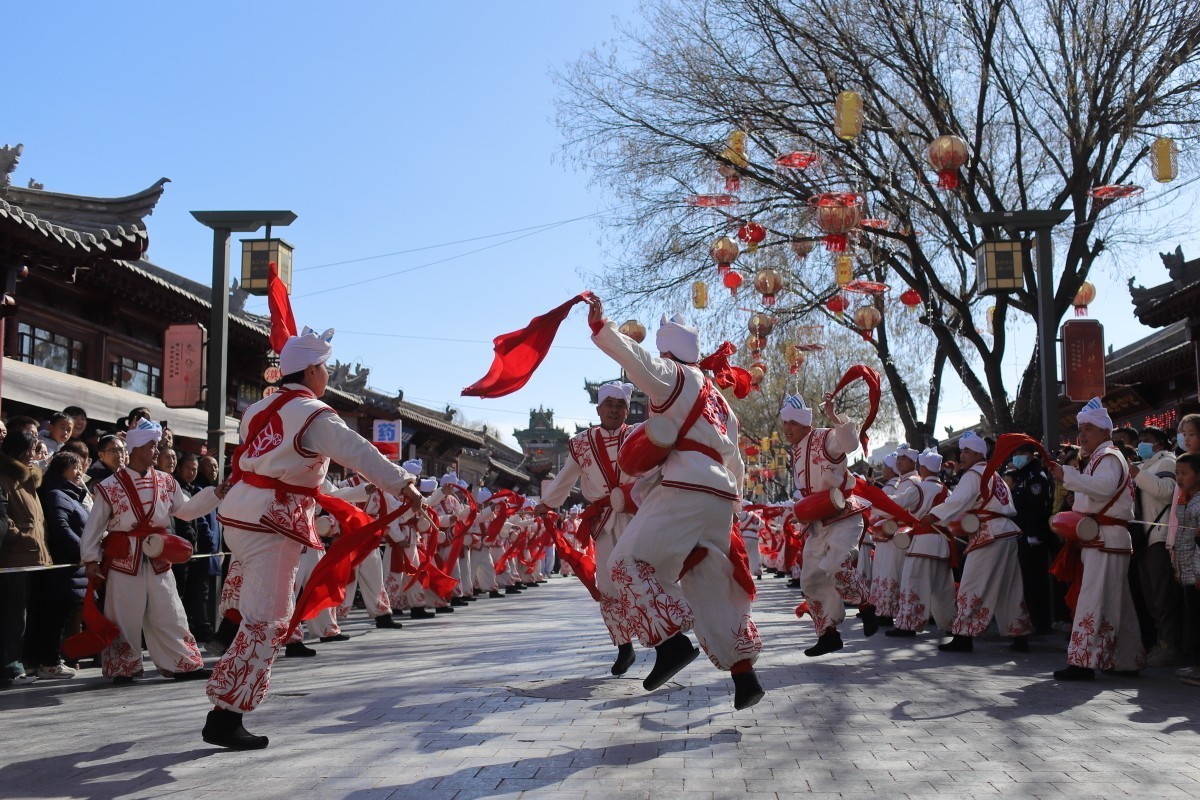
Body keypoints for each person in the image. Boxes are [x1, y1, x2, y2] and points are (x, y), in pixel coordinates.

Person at [204, 326, 422, 750]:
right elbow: (357, 451)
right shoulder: (313, 413)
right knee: (270, 620)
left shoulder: (258, 409)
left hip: (241, 515)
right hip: (274, 519)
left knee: (261, 613)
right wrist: (403, 485)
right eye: (323, 367)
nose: (327, 375)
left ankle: (228, 690)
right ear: (310, 371)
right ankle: (225, 711)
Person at [586, 298, 763, 710]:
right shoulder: (721, 402)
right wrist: (733, 504)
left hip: (684, 487)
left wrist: (602, 329)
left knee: (627, 563)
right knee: (711, 584)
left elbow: (637, 361)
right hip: (719, 496)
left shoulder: (674, 375)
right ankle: (744, 674)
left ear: (669, 350)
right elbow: (735, 461)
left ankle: (670, 644)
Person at [81, 419, 220, 685]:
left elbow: (186, 510)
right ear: (135, 449)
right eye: (151, 446)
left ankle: (183, 663)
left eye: (156, 446)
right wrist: (90, 559)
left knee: (169, 609)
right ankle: (123, 668)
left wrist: (215, 494)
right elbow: (95, 524)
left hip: (158, 555)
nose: (157, 451)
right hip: (124, 557)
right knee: (122, 614)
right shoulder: (110, 485)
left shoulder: (167, 481)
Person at [538, 380, 638, 675]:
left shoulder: (637, 436)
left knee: (642, 576)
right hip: (605, 520)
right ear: (598, 408)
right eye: (609, 404)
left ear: (627, 410)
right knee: (608, 583)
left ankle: (664, 640)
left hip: (636, 516)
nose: (614, 410)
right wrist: (548, 502)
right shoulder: (581, 443)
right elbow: (567, 476)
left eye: (621, 405)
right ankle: (624, 646)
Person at [1048, 398, 1145, 679]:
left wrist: (1068, 475)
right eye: (1081, 428)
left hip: (1105, 538)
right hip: (1105, 538)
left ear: (1105, 430)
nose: (1083, 434)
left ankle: (1082, 662)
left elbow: (1102, 489)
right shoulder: (1102, 458)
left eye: (1088, 428)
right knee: (1117, 601)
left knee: (1093, 598)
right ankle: (1127, 660)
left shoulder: (1109, 458)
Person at [781, 393, 877, 658]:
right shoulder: (796, 451)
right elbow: (806, 491)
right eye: (784, 422)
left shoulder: (825, 438)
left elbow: (849, 443)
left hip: (843, 515)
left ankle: (867, 606)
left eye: (791, 422)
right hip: (817, 523)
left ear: (803, 423)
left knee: (837, 565)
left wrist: (835, 418)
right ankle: (829, 635)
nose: (786, 428)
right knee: (810, 580)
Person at [930, 431, 1032, 654]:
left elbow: (957, 501)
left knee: (972, 582)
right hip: (1006, 532)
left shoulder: (973, 475)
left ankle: (964, 635)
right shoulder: (994, 475)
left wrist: (933, 516)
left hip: (989, 533)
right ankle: (1019, 634)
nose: (962, 455)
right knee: (1009, 586)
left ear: (978, 453)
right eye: (962, 451)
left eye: (966, 450)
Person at [0, 429, 51, 687]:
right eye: (32, 450)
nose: (35, 455)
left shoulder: (28, 478)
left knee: (22, 614)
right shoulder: (5, 476)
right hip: (13, 557)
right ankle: (10, 668)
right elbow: (4, 518)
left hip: (30, 556)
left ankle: (19, 662)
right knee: (12, 615)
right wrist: (22, 536)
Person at [32, 450, 89, 678]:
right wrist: (84, 550)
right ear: (61, 469)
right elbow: (62, 528)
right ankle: (49, 662)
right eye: (75, 467)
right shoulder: (57, 494)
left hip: (71, 566)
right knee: (54, 618)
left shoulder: (68, 494)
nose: (80, 472)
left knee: (59, 616)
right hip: (63, 566)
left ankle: (51, 660)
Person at [890, 448, 955, 637]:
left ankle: (908, 625)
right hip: (942, 543)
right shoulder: (946, 490)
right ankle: (950, 624)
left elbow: (898, 502)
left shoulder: (919, 488)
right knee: (943, 588)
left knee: (914, 582)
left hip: (922, 543)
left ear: (924, 468)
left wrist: (876, 498)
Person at [1131, 426, 1179, 666]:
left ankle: (1169, 645)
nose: (1141, 445)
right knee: (1149, 597)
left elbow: (1167, 492)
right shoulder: (1142, 466)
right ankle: (1159, 643)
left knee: (1162, 597)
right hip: (1142, 540)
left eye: (1146, 440)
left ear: (1159, 443)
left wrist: (1136, 474)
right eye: (1139, 441)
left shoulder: (1168, 463)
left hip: (1158, 538)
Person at [1009, 443, 1056, 634]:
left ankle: (1040, 623)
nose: (1017, 456)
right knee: (1026, 581)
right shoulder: (1022, 476)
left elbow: (1037, 508)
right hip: (1021, 535)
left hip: (1033, 538)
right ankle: (1033, 620)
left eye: (1021, 453)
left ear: (1030, 454)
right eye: (1015, 453)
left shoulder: (1037, 476)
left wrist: (1032, 534)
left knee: (1035, 581)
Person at [1171, 452, 1200, 687]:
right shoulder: (1184, 498)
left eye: (1184, 473)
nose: (1179, 478)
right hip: (1186, 570)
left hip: (1197, 572)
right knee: (1193, 618)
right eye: (1177, 473)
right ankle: (1196, 664)